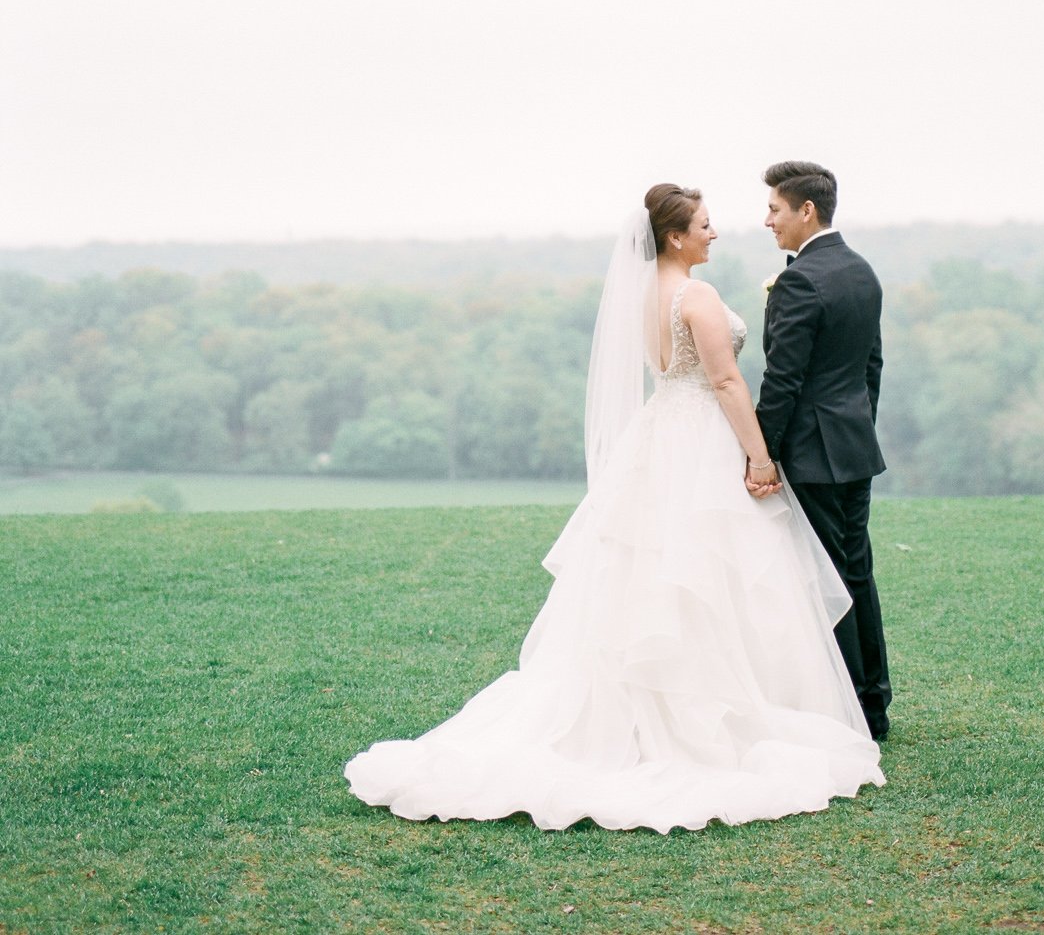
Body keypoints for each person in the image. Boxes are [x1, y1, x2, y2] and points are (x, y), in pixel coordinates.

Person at [344, 182, 884, 832]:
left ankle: (652, 703)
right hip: (702, 442)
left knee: (651, 573)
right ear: (676, 237)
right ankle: (716, 712)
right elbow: (724, 380)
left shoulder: (640, 297)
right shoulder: (697, 296)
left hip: (659, 438)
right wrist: (761, 458)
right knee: (712, 571)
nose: (715, 233)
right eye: (705, 226)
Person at [757, 162, 892, 741]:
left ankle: (849, 710)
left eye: (775, 210)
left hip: (811, 453)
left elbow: (781, 380)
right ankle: (873, 701)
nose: (768, 221)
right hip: (853, 446)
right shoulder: (862, 271)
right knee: (856, 571)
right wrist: (857, 425)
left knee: (824, 578)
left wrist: (760, 454)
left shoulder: (799, 281)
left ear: (805, 210)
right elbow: (872, 366)